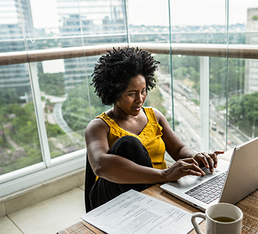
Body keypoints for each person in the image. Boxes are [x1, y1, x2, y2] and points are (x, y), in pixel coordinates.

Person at [85, 47, 223, 210]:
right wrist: (164, 175)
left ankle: (158, 204)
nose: (140, 99)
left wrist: (196, 157)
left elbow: (179, 149)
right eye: (132, 94)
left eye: (143, 91)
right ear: (114, 93)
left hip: (155, 188)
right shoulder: (99, 126)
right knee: (129, 144)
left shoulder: (154, 116)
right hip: (112, 195)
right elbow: (101, 165)